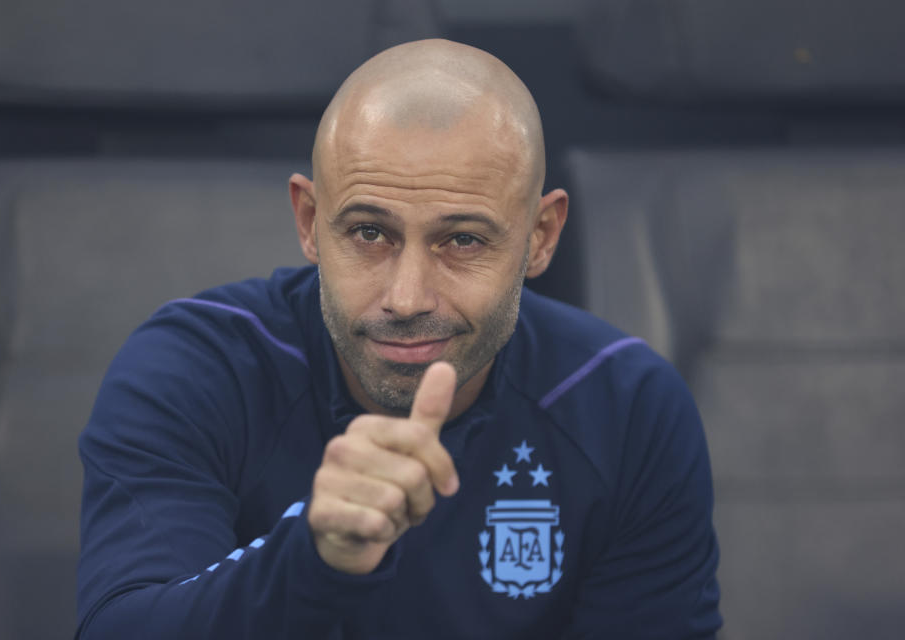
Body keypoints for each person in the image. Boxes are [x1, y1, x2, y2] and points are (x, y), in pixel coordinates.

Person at [76, 39, 721, 638]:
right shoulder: (191, 370)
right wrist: (314, 554)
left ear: (540, 237)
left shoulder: (627, 406)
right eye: (368, 233)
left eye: (462, 240)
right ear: (309, 221)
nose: (407, 298)